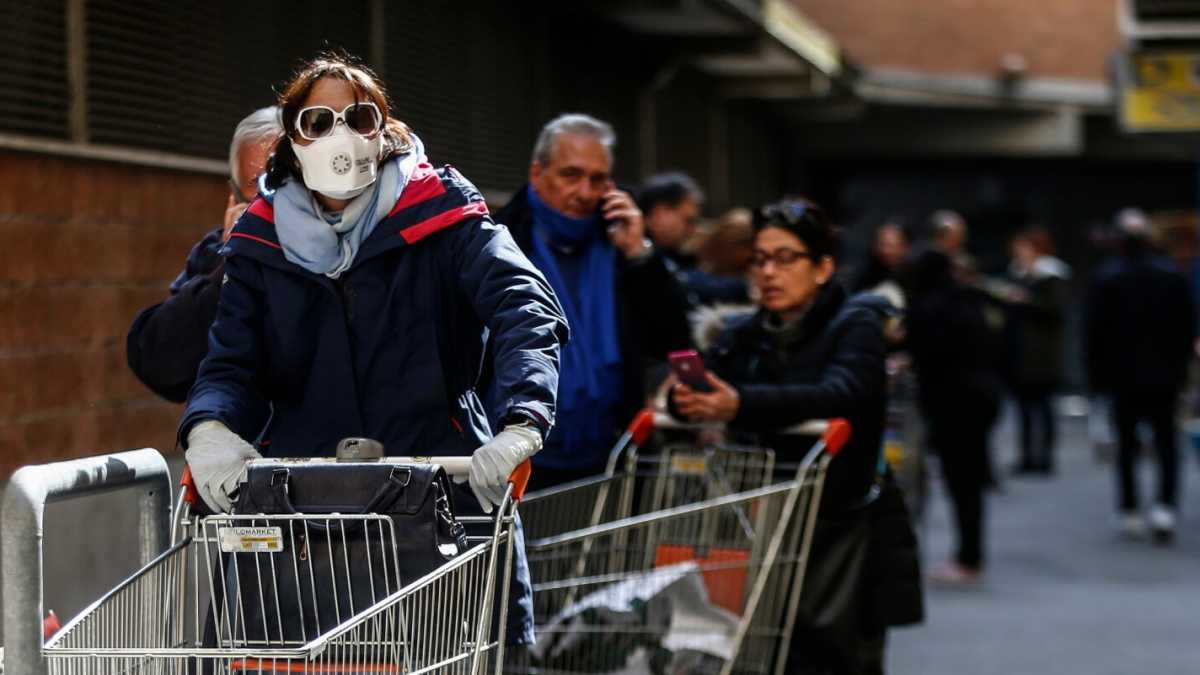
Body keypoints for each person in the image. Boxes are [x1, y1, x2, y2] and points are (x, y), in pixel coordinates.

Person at [179, 54, 568, 645]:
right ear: (293, 139)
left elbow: (524, 306)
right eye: (318, 121)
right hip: (304, 519)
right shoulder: (260, 243)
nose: (339, 135)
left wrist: (521, 420)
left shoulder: (443, 215)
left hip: (442, 503)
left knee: (444, 649)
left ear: (383, 129)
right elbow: (230, 360)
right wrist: (209, 428)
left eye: (358, 117)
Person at [669, 200, 915, 674]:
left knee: (835, 659)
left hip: (840, 527)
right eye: (760, 260)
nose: (768, 273)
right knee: (760, 653)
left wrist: (740, 403)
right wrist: (690, 397)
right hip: (758, 522)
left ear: (822, 267)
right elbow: (710, 392)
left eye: (785, 259)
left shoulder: (855, 323)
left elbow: (841, 393)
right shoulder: (743, 332)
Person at [495, 114, 692, 490]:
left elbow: (672, 338)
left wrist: (640, 254)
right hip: (518, 459)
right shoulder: (500, 242)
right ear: (537, 174)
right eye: (571, 175)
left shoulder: (621, 247)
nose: (585, 192)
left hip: (612, 455)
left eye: (598, 179)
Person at [126, 106, 282, 401]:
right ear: (233, 196)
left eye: (280, 182)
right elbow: (161, 366)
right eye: (255, 187)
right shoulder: (216, 255)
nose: (271, 199)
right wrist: (233, 263)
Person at [1085, 209, 1195, 542]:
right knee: (1166, 446)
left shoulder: (1107, 278)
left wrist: (1097, 380)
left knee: (1128, 446)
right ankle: (1164, 508)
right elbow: (1186, 329)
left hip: (1123, 378)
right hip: (1164, 377)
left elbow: (1095, 335)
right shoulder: (1172, 277)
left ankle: (1130, 509)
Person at [904, 247, 1001, 585]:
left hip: (951, 404)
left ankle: (967, 558)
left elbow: (923, 354)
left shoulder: (926, 308)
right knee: (970, 483)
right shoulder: (968, 301)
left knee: (961, 482)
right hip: (981, 397)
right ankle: (970, 555)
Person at [1005, 227, 1069, 475]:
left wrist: (1026, 300)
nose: (1019, 252)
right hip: (1020, 352)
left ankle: (1045, 457)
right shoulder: (1017, 272)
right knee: (1023, 408)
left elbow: (1055, 311)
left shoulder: (1052, 274)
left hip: (1043, 353)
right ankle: (1027, 456)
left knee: (1043, 406)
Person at [638, 172, 749, 308]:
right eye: (688, 221)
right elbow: (682, 285)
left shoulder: (674, 254)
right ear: (660, 213)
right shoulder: (637, 251)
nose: (691, 230)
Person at [852, 219, 912, 310]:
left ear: (905, 247)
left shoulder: (914, 278)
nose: (887, 251)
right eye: (883, 245)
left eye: (892, 246)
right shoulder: (863, 276)